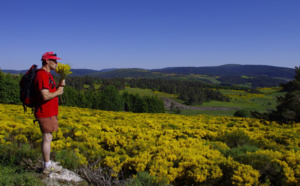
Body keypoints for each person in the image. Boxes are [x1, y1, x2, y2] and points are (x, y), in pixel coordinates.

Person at [34, 51, 65, 174]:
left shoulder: (48, 74)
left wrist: (60, 84)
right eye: (55, 61)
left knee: (49, 137)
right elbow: (45, 96)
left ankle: (48, 162)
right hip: (45, 112)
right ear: (47, 61)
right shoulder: (42, 75)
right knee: (47, 138)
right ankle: (47, 165)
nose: (57, 63)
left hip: (50, 112)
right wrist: (58, 92)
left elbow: (52, 90)